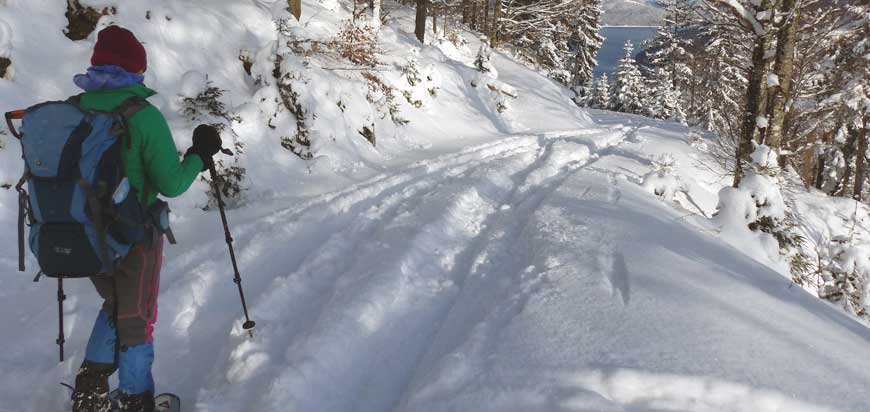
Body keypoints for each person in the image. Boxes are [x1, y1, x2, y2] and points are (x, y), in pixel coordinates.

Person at [69, 25, 222, 412]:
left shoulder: (76, 108)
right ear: (136, 68)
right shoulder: (142, 115)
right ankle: (137, 400)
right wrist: (200, 156)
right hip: (132, 235)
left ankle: (90, 390)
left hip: (86, 234)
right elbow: (171, 183)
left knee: (116, 305)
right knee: (137, 317)